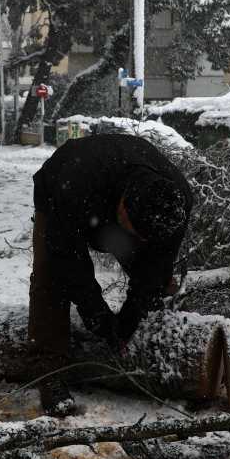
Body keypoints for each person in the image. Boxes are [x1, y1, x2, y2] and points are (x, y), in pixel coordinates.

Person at [29, 133, 193, 416]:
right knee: (51, 277)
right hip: (61, 191)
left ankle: (158, 341)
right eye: (134, 231)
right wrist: (97, 315)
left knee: (157, 279)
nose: (136, 239)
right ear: (123, 206)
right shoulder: (75, 185)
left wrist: (131, 316)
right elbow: (69, 261)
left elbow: (157, 266)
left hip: (110, 205)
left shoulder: (176, 202)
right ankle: (50, 372)